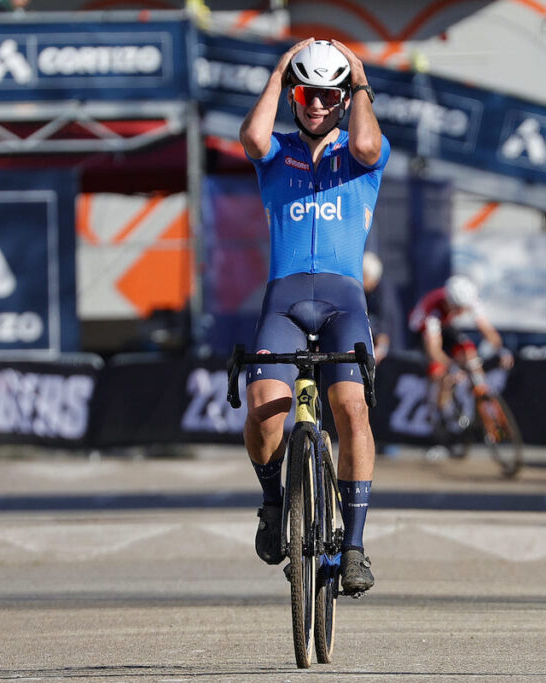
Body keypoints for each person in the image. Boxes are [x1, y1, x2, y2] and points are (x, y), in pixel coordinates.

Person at [239, 37, 390, 595]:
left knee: (350, 409)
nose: (317, 104)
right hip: (283, 300)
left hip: (343, 302)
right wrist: (280, 70)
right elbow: (252, 136)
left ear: (344, 97)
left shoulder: (359, 152)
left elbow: (371, 145)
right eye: (308, 93)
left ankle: (351, 547)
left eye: (329, 95)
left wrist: (360, 80)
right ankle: (274, 503)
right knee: (264, 408)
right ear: (294, 95)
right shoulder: (277, 152)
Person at [408, 275, 513, 420]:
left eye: (465, 308)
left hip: (445, 326)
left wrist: (501, 350)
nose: (463, 312)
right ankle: (440, 415)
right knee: (440, 371)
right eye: (459, 309)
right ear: (451, 303)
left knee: (468, 351)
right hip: (421, 333)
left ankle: (481, 390)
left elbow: (486, 329)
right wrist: (452, 367)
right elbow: (434, 350)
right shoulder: (433, 311)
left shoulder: (469, 299)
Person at [362, 251, 402, 364]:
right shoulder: (364, 291)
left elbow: (385, 318)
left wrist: (382, 346)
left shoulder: (384, 293)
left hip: (385, 351)